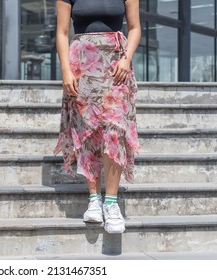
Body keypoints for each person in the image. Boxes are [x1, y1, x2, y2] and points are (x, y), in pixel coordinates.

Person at [53, 0, 142, 234]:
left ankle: (111, 203)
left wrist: (127, 58)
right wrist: (65, 70)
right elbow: (62, 32)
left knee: (115, 130)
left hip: (116, 64)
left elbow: (134, 27)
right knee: (87, 130)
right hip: (82, 63)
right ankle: (94, 199)